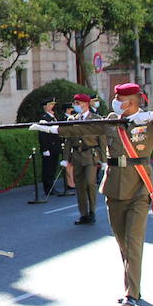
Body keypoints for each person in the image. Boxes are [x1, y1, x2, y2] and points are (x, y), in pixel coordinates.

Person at [37, 83, 153, 306]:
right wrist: (52, 129)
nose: (115, 101)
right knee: (123, 243)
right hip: (114, 188)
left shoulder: (150, 123)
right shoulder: (111, 120)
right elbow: (82, 129)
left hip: (139, 187)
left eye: (119, 98)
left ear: (132, 101)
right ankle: (133, 286)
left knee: (134, 241)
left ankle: (131, 294)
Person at [63, 94, 106, 225]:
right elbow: (68, 140)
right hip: (76, 156)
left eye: (78, 103)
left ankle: (92, 211)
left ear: (86, 104)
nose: (75, 105)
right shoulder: (72, 119)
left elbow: (102, 140)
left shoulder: (96, 119)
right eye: (75, 103)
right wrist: (65, 159)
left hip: (90, 155)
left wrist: (104, 160)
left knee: (90, 183)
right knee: (80, 186)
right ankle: (84, 214)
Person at [37, 98, 64, 196]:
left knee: (53, 169)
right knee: (48, 169)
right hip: (49, 148)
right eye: (51, 105)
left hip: (55, 148)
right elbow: (43, 136)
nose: (53, 107)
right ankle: (48, 188)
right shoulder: (44, 119)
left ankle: (51, 187)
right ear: (46, 107)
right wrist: (45, 149)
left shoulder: (53, 117)